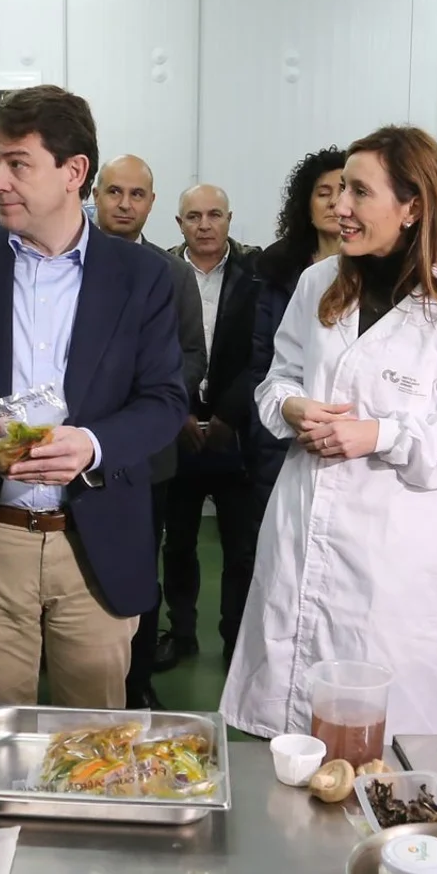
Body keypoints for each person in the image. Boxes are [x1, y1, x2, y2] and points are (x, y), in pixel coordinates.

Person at [0, 85, 188, 714]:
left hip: (94, 543)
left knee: (94, 741)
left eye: (17, 164)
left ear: (74, 172)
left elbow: (164, 399)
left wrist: (94, 444)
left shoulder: (143, 278)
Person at [221, 125, 437, 739]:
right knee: (288, 728)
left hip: (397, 564)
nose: (340, 207)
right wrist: (295, 408)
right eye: (338, 192)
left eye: (360, 192)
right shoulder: (318, 284)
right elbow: (275, 381)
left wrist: (381, 434)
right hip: (303, 532)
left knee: (380, 748)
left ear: (413, 207)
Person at [91, 152, 206, 708]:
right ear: (95, 193)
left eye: (137, 195)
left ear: (152, 204)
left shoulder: (173, 274)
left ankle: (136, 685)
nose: (124, 204)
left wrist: (136, 412)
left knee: (138, 568)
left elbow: (190, 358)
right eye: (115, 192)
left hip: (145, 456)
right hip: (70, 454)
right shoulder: (68, 263)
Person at [159, 184, 260, 671]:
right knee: (176, 544)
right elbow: (153, 352)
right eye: (193, 216)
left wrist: (228, 415)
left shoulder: (254, 277)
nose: (204, 225)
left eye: (214, 215)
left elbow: (263, 352)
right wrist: (176, 410)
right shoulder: (160, 274)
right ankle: (180, 634)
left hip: (233, 433)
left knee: (241, 549)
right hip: (174, 433)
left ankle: (235, 638)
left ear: (229, 219)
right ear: (178, 223)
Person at [244, 148, 347, 507]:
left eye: (344, 190)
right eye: (323, 193)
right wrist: (270, 424)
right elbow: (262, 361)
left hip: (349, 433)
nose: (335, 202)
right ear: (306, 204)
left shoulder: (378, 272)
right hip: (282, 425)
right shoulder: (277, 269)